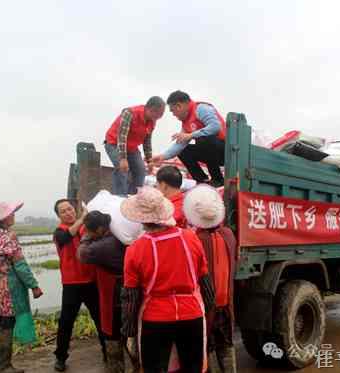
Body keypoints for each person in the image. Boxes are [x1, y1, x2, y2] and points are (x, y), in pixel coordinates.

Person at [119, 186, 216, 373]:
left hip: (156, 318)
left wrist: (129, 330)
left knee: (155, 368)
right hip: (192, 314)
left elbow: (130, 296)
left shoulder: (135, 249)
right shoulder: (191, 238)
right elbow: (205, 281)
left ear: (140, 218)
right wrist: (209, 309)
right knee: (192, 367)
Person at [0, 201, 43, 373]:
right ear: (4, 218)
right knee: (7, 325)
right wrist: (34, 286)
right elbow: (20, 265)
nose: (14, 215)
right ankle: (4, 366)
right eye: (12, 213)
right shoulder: (8, 237)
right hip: (8, 286)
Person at [184, 185, 237, 373]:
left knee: (208, 349)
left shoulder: (193, 239)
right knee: (227, 347)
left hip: (207, 308)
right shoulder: (229, 235)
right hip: (226, 306)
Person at [53, 199, 106, 371]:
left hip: (91, 282)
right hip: (71, 285)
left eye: (70, 209)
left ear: (74, 210)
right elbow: (68, 235)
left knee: (100, 319)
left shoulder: (86, 229)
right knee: (66, 323)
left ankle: (108, 352)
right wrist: (82, 219)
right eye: (63, 211)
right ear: (59, 216)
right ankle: (60, 357)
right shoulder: (59, 232)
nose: (68, 212)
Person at [78, 211, 126, 373]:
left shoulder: (102, 246)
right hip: (129, 294)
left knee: (113, 338)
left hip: (114, 296)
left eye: (90, 230)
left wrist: (85, 238)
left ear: (99, 229)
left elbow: (82, 255)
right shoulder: (120, 237)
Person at [152, 90, 227, 188]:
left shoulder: (201, 109)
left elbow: (215, 127)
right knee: (183, 150)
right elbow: (180, 144)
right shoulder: (186, 122)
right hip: (211, 154)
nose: (173, 115)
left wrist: (191, 135)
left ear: (179, 106)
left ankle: (217, 179)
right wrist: (163, 156)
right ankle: (202, 181)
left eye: (173, 111)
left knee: (204, 139)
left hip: (226, 151)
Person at [105, 96, 166, 195]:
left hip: (132, 148)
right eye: (159, 114)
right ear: (151, 109)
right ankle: (119, 198)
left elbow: (147, 142)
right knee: (122, 169)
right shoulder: (129, 113)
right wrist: (123, 159)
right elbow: (122, 137)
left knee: (141, 170)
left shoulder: (152, 121)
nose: (159, 117)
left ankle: (134, 197)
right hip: (114, 144)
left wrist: (149, 161)